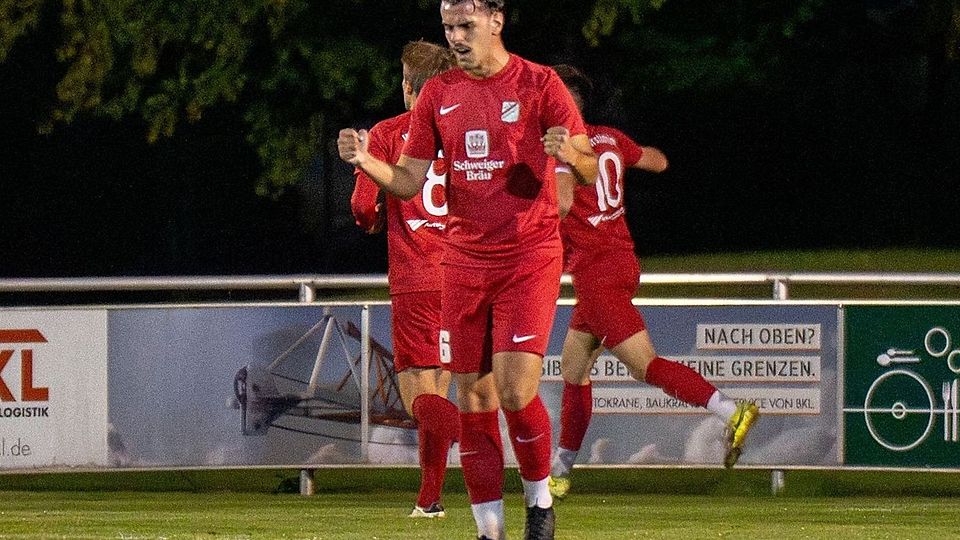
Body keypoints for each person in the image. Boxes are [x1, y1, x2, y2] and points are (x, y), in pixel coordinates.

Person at [338, 2, 598, 538]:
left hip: (527, 257)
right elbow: (409, 182)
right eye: (448, 27)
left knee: (515, 391)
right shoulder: (438, 94)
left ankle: (539, 501)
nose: (456, 37)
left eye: (466, 26)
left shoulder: (540, 83)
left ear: (496, 21)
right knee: (473, 397)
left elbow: (591, 169)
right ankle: (489, 530)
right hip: (461, 262)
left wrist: (572, 155)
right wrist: (365, 161)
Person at [546, 64, 760, 500]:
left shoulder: (562, 151)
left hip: (597, 272)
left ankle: (730, 410)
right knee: (573, 368)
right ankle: (561, 470)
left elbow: (562, 204)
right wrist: (627, 158)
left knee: (644, 366)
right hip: (620, 262)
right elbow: (658, 161)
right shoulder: (608, 138)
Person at [350, 40, 460, 519]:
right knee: (440, 391)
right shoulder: (462, 130)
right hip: (461, 279)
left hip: (416, 280)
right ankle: (429, 500)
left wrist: (374, 221)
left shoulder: (388, 133)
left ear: (410, 88)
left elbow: (361, 207)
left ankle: (474, 431)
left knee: (420, 401)